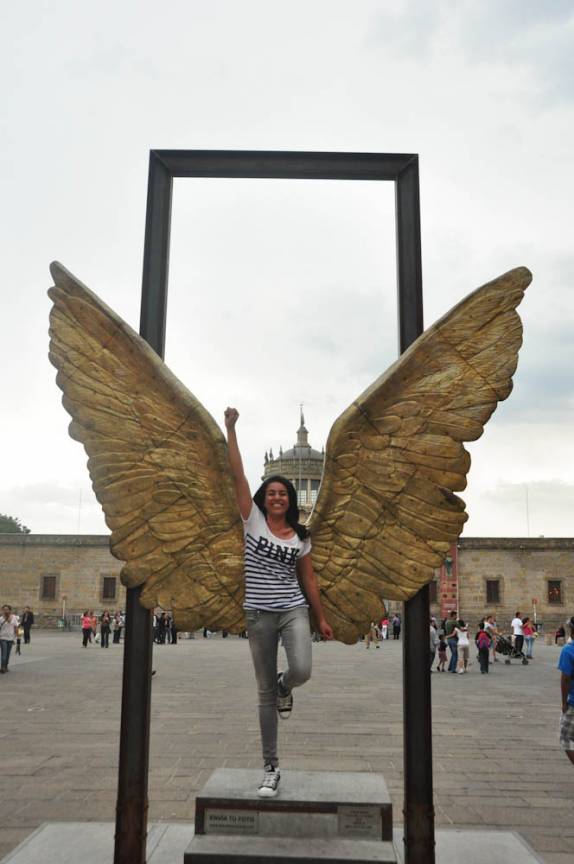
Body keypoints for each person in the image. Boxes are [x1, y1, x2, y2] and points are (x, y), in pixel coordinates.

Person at [225, 407, 333, 798]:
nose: (276, 498)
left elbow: (309, 579)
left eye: (283, 493)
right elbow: (236, 473)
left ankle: (286, 686)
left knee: (302, 668)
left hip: (292, 609)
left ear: (290, 499)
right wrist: (230, 429)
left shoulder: (302, 535)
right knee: (262, 693)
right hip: (257, 614)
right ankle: (270, 767)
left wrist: (320, 617)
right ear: (263, 497)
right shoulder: (250, 520)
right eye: (271, 492)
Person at [558, 616, 574, 765]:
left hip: (573, 702)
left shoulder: (569, 650)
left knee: (565, 739)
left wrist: (563, 703)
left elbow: (565, 679)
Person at [0, 604, 19, 673]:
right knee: (4, 654)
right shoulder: (1, 619)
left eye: (7, 609)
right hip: (2, 638)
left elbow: (16, 628)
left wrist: (16, 638)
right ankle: (2, 667)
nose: (6, 611)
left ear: (10, 610)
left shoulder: (14, 618)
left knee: (8, 654)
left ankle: (6, 666)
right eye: (4, 609)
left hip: (11, 638)